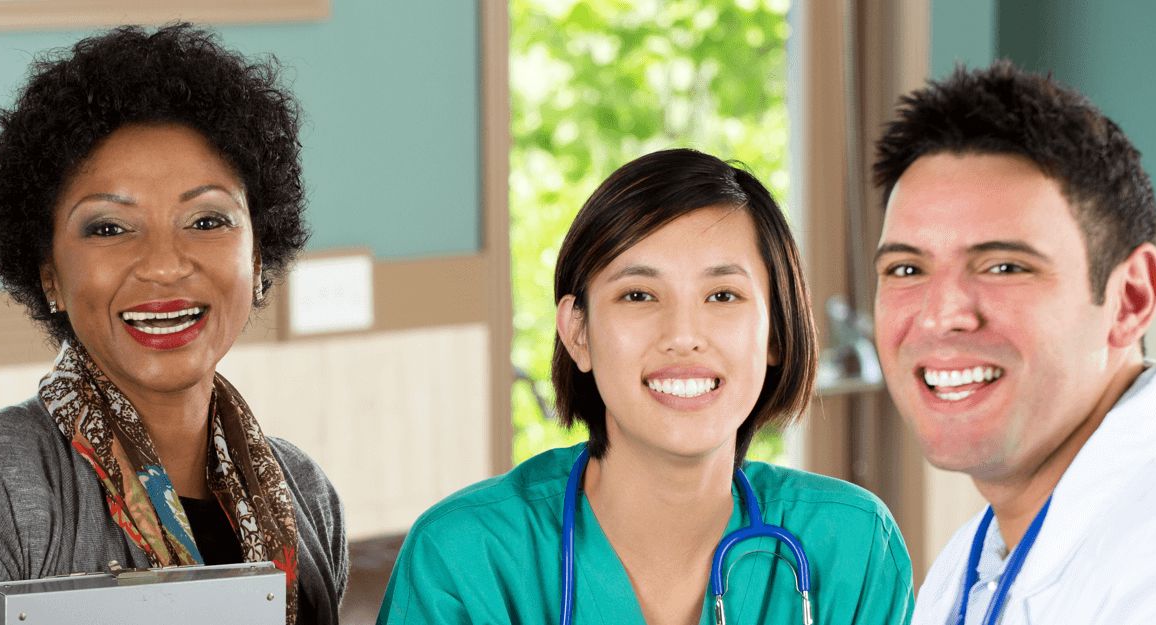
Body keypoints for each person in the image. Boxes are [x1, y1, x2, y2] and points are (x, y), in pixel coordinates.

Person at [0, 23, 345, 625]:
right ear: (49, 276)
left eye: (206, 220)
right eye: (109, 229)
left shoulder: (306, 496)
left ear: (257, 250)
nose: (166, 266)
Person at [378, 149, 912, 625]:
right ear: (578, 333)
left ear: (776, 331)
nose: (683, 336)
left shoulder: (853, 545)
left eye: (723, 296)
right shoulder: (465, 558)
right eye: (638, 295)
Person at [871, 61, 1156, 624]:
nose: (941, 316)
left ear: (1130, 299)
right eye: (907, 270)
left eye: (1004, 266)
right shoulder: (973, 561)